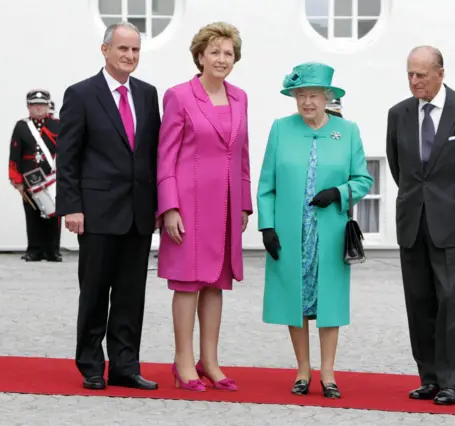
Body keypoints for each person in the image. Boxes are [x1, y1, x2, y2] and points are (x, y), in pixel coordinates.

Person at [385, 46, 455, 405]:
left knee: (450, 302)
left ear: (440, 73)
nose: (414, 81)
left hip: (453, 224)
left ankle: (451, 382)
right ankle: (429, 377)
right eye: (409, 75)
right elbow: (398, 168)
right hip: (413, 222)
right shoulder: (398, 114)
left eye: (421, 75)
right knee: (419, 303)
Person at [55, 22, 162, 391]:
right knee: (96, 291)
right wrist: (72, 206)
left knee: (132, 295)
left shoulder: (148, 95)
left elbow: (153, 155)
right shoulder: (82, 94)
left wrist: (160, 206)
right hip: (96, 211)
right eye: (122, 49)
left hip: (138, 213)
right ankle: (89, 365)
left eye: (135, 50)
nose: (129, 56)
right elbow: (67, 156)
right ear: (105, 50)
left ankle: (125, 366)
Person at [257, 62, 373, 399]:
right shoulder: (281, 129)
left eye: (314, 96)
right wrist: (267, 226)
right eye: (301, 95)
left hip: (330, 232)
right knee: (295, 298)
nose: (307, 102)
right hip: (291, 231)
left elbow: (363, 179)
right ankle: (303, 370)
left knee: (328, 302)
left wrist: (338, 193)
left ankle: (329, 373)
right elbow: (267, 183)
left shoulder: (347, 131)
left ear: (327, 98)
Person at [156, 22, 251, 392]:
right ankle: (183, 362)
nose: (222, 59)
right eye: (214, 52)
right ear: (200, 56)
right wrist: (169, 208)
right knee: (188, 283)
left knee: (215, 283)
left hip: (226, 206)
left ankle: (209, 361)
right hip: (189, 205)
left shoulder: (241, 97)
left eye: (228, 53)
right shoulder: (179, 96)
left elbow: (242, 154)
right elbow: (165, 156)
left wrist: (243, 204)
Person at [8, 89, 62, 262]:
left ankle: (52, 250)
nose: (38, 108)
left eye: (42, 105)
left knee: (54, 214)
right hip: (30, 176)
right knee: (32, 213)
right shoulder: (22, 126)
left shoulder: (58, 125)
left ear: (48, 106)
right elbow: (15, 153)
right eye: (34, 105)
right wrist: (16, 179)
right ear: (28, 107)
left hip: (51, 176)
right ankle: (34, 250)